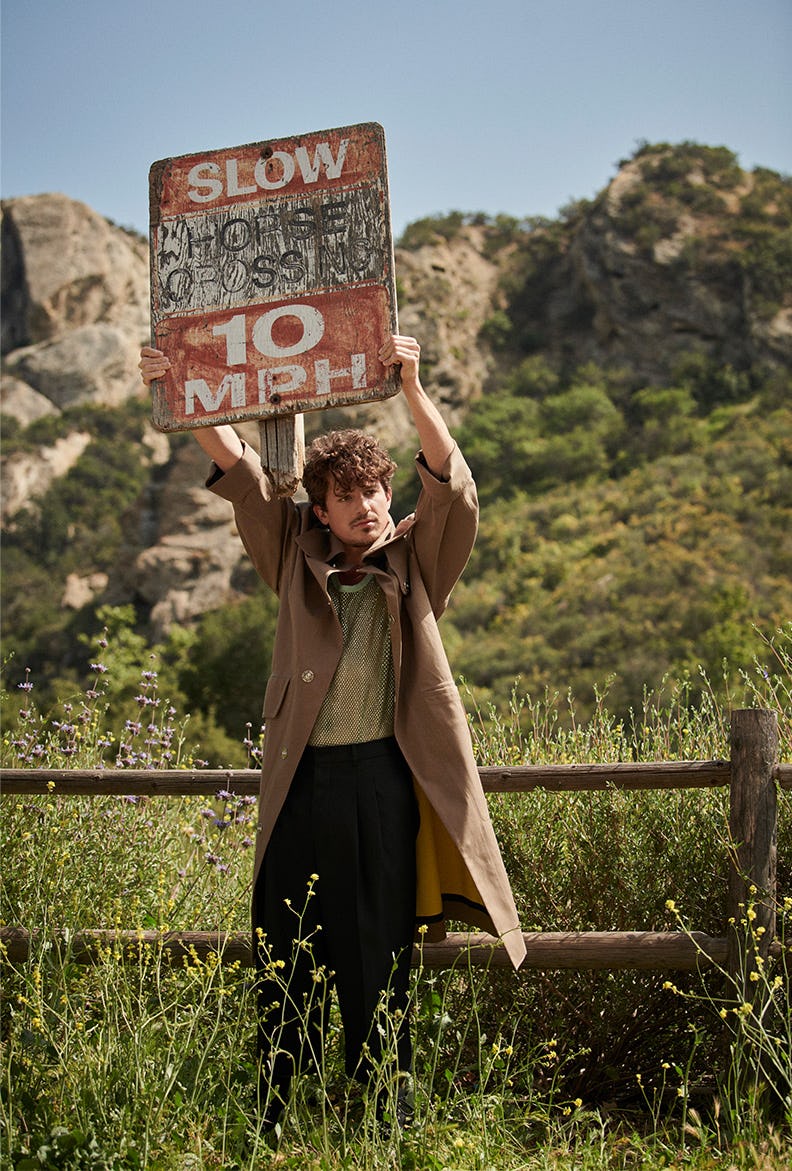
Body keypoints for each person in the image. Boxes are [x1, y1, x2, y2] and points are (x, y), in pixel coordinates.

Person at [139, 335, 525, 1130]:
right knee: (284, 948)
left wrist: (411, 386)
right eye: (346, 497)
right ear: (320, 509)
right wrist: (183, 388)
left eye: (374, 492)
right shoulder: (291, 552)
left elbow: (454, 483)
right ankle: (275, 1115)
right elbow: (242, 470)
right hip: (300, 786)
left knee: (380, 951)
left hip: (383, 783)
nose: (364, 507)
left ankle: (386, 1118)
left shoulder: (418, 560)